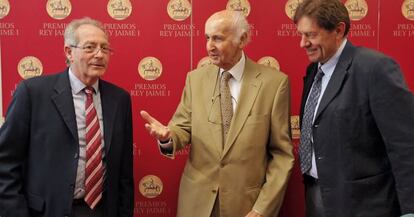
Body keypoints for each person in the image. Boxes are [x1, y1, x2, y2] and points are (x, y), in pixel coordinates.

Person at [140, 10, 294, 217]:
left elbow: (282, 156)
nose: (209, 46)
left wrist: (262, 208)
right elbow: (182, 128)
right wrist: (168, 138)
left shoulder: (274, 84)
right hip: (196, 203)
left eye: (218, 38)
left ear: (243, 39)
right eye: (207, 38)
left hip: (246, 205)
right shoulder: (195, 79)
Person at [0, 17, 134, 217]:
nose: (99, 54)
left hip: (102, 210)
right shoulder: (32, 92)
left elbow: (124, 172)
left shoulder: (120, 99)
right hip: (46, 211)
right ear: (69, 52)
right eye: (90, 47)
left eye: (105, 48)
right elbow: (5, 162)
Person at [294, 0, 414, 216]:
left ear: (338, 30)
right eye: (300, 35)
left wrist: (410, 210)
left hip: (365, 205)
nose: (303, 43)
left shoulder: (375, 68)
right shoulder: (313, 70)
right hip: (317, 197)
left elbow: (406, 146)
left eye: (310, 35)